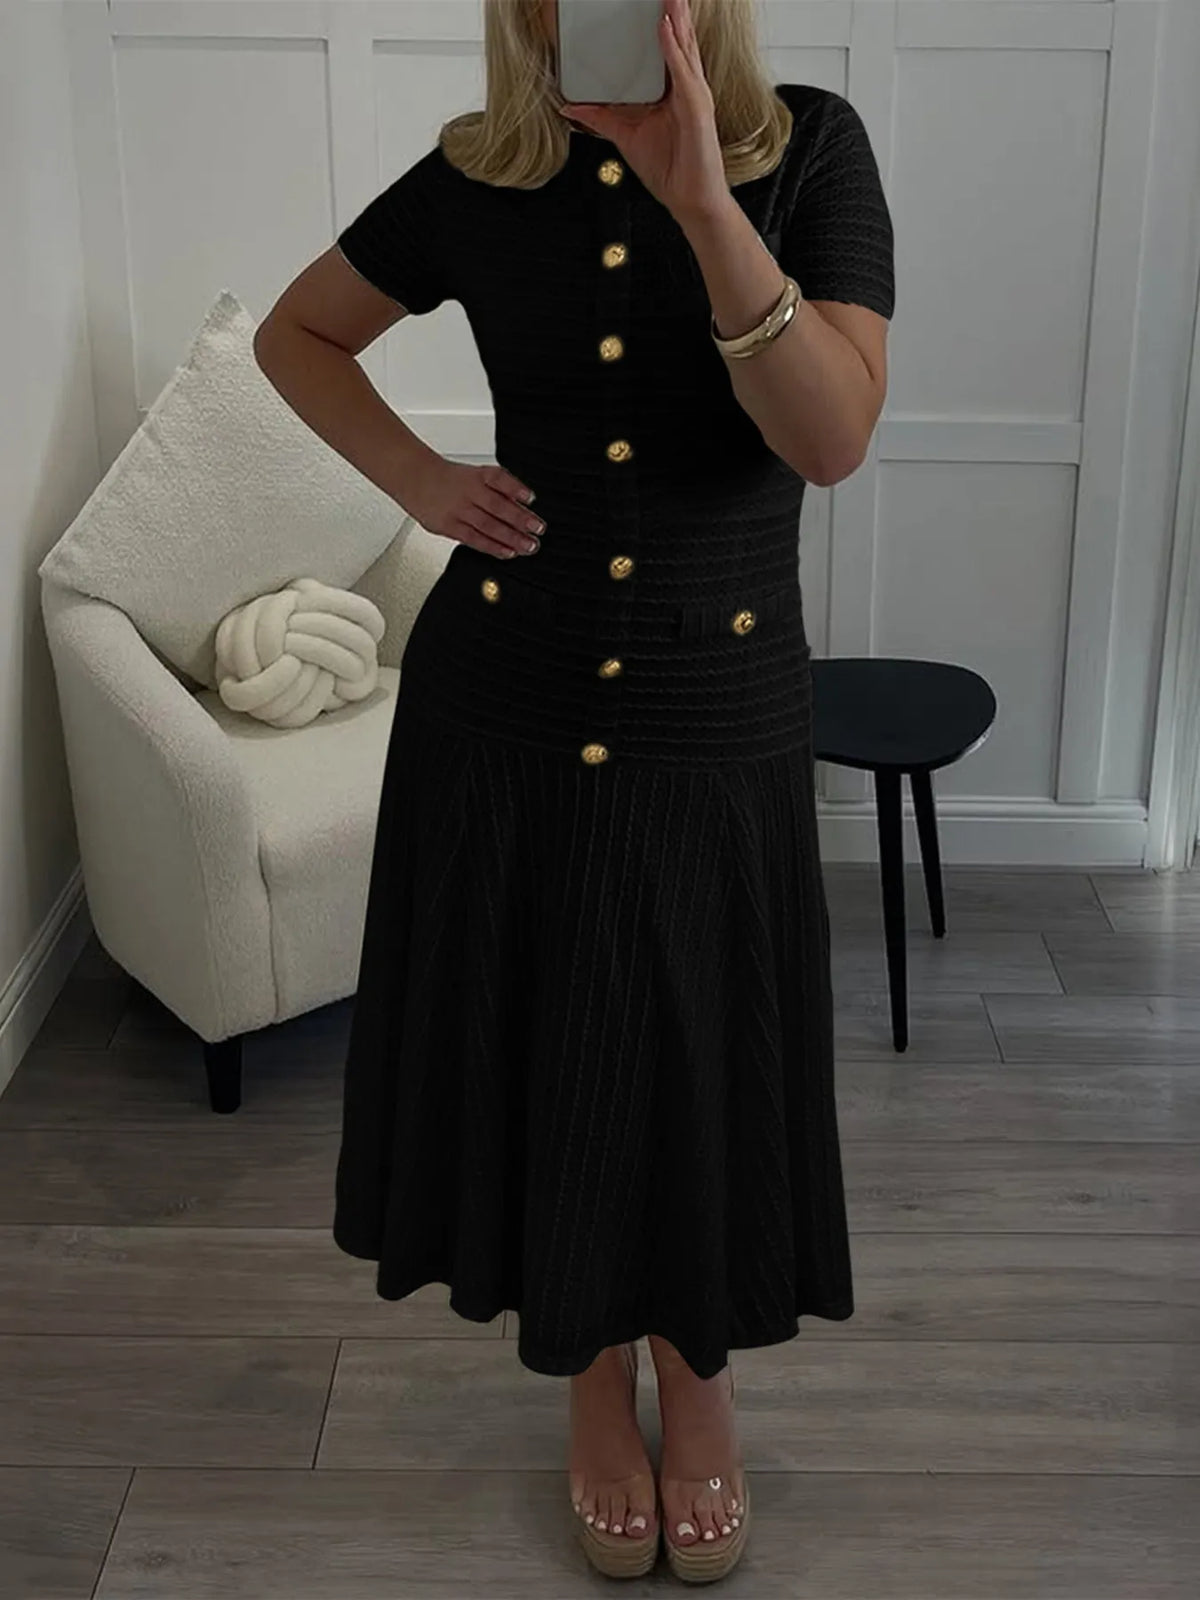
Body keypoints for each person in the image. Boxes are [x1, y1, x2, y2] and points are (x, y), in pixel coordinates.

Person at [255, 0, 893, 1581]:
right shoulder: (479, 171)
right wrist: (418, 480)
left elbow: (829, 439)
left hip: (716, 696)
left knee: (702, 1051)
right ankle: (592, 1373)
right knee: (554, 1046)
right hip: (505, 697)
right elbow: (297, 334)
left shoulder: (810, 151)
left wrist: (705, 206)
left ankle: (700, 1368)